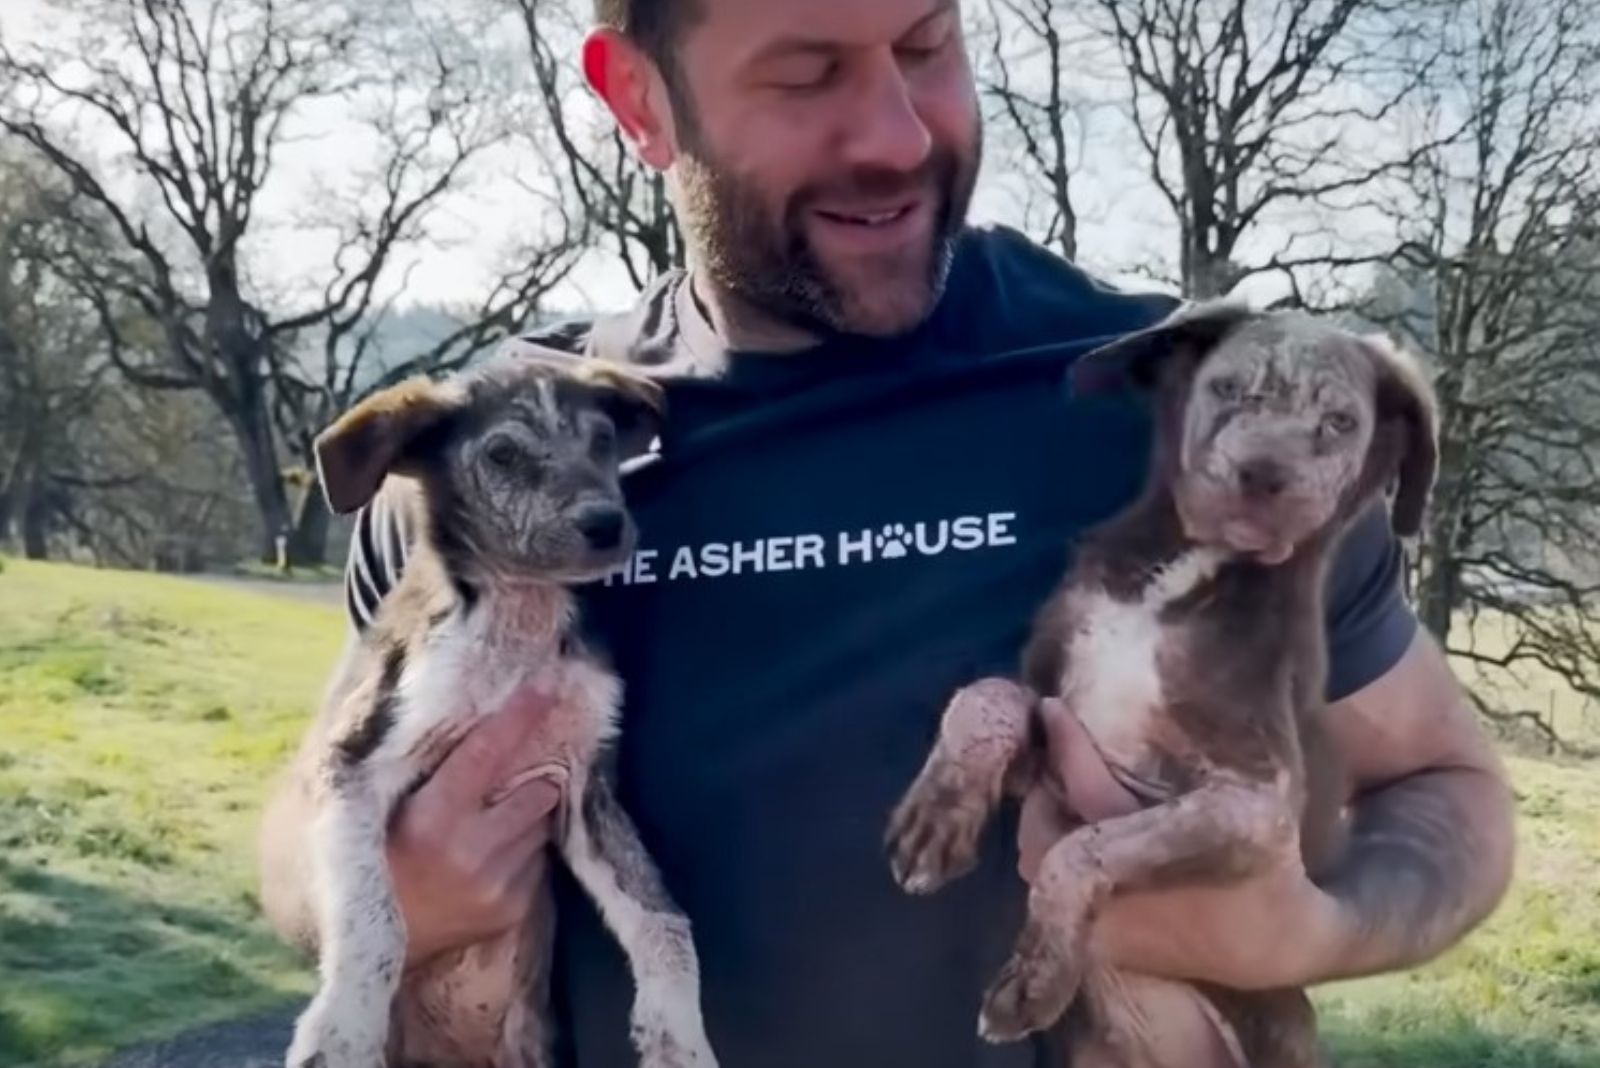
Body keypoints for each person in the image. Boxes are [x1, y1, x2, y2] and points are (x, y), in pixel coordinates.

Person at [257, 1, 1515, 1065]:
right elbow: (307, 806)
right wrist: (376, 896)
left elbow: (1444, 785)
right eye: (806, 75)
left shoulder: (1185, 412)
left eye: (926, 46)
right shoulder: (502, 458)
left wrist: (1307, 929)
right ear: (639, 99)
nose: (897, 137)